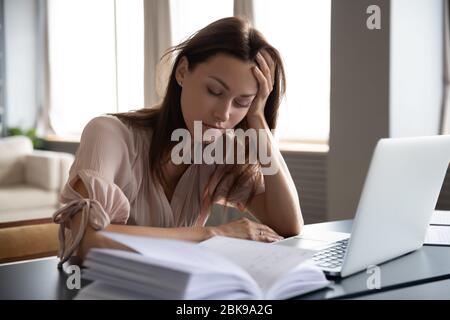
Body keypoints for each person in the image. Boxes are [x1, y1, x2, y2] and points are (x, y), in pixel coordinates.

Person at [53, 16, 303, 268]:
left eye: (241, 102)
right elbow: (86, 241)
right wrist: (211, 235)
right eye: (214, 91)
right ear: (182, 71)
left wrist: (257, 118)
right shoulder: (108, 134)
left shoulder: (221, 150)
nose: (224, 114)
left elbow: (288, 225)